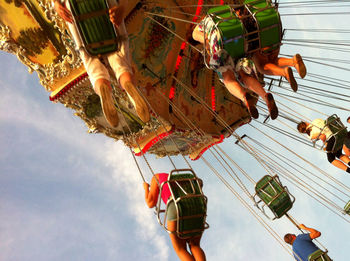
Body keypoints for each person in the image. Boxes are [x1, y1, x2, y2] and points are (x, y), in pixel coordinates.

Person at [53, 0, 150, 127]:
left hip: (73, 8)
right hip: (106, 4)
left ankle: (103, 86)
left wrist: (56, 4)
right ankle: (128, 84)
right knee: (120, 55)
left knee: (90, 60)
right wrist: (122, 8)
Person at [192, 16, 278, 120]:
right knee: (244, 76)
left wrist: (208, 51)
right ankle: (265, 96)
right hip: (240, 40)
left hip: (220, 42)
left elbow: (206, 40)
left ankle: (244, 97)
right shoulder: (216, 16)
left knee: (227, 78)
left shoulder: (197, 30)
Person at [143, 173, 206, 261]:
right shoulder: (184, 179)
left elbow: (150, 203)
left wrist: (146, 188)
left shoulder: (157, 177)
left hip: (176, 206)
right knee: (194, 244)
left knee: (180, 248)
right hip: (197, 207)